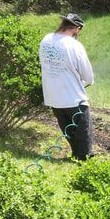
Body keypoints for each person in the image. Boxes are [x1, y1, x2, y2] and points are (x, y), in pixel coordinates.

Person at [39, 13, 94, 161]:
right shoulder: (74, 45)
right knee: (83, 134)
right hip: (73, 98)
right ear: (77, 28)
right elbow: (88, 76)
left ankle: (75, 156)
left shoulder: (46, 40)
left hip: (53, 97)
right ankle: (84, 162)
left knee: (68, 130)